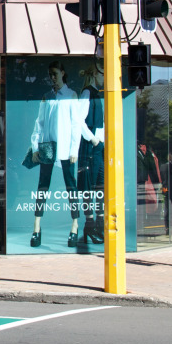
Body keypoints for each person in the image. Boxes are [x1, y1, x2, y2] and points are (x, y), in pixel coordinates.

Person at [28, 61, 85, 247]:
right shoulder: (47, 96)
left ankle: (75, 225)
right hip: (47, 147)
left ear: (62, 73)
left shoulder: (71, 95)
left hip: (66, 148)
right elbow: (40, 123)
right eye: (50, 74)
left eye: (55, 73)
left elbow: (76, 124)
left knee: (71, 187)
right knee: (42, 186)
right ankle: (36, 226)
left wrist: (74, 149)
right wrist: (35, 146)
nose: (52, 77)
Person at [75, 61, 105, 245]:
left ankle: (99, 224)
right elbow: (78, 120)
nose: (104, 77)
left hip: (99, 148)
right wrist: (92, 139)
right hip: (91, 148)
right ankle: (90, 225)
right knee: (89, 188)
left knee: (99, 187)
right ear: (95, 74)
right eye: (102, 74)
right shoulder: (87, 92)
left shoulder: (95, 94)